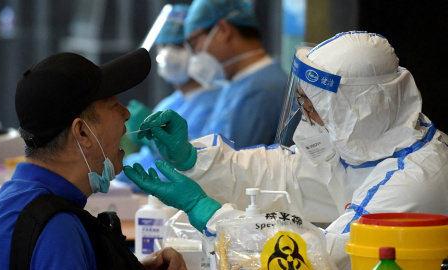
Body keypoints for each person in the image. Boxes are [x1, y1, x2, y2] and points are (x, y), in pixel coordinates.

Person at [123, 31, 448, 270]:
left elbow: (323, 256)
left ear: (360, 108)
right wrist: (194, 161)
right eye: (303, 99)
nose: (305, 112)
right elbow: (282, 173)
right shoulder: (359, 146)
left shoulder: (415, 180)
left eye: (314, 103)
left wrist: (212, 216)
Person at [0, 48, 187, 269]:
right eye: (113, 104)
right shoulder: (56, 229)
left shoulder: (16, 198)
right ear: (82, 132)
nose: (126, 113)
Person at [116, 4, 221, 189]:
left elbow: (196, 167)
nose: (168, 55)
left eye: (179, 45)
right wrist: (113, 172)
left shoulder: (216, 103)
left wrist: (153, 140)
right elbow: (146, 161)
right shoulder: (170, 103)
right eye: (164, 45)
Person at [183, 0, 288, 148]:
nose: (194, 55)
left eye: (194, 44)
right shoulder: (239, 84)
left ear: (224, 30)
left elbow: (224, 166)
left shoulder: (261, 91)